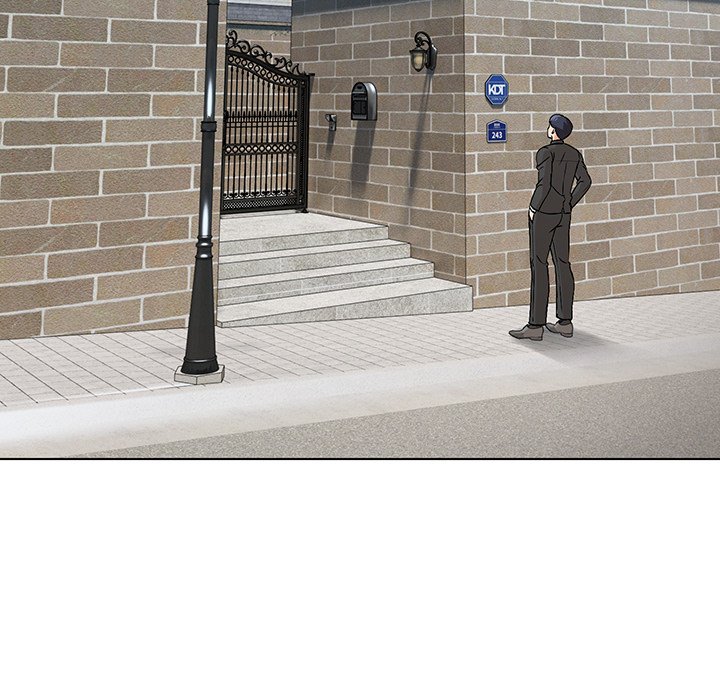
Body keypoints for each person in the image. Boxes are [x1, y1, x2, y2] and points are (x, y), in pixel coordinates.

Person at [509, 113, 592, 341]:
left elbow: (543, 185)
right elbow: (585, 181)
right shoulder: (574, 154)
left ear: (553, 131)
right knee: (562, 263)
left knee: (539, 264)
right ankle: (565, 322)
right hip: (563, 214)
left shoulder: (545, 153)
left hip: (544, 213)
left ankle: (535, 326)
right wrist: (569, 202)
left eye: (549, 127)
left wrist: (533, 208)